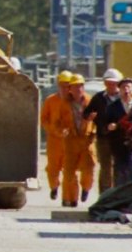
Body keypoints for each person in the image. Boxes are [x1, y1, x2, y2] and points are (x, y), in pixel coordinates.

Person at [57, 74, 96, 207]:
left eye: (80, 86)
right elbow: (59, 122)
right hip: (71, 140)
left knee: (89, 168)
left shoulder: (91, 102)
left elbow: (98, 119)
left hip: (86, 140)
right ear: (70, 89)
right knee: (69, 171)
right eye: (75, 86)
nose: (78, 89)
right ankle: (72, 199)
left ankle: (86, 188)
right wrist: (62, 130)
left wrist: (93, 132)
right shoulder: (64, 104)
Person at [82, 67, 122, 195]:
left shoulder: (124, 98)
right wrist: (89, 116)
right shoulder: (99, 98)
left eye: (114, 83)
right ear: (105, 83)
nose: (111, 86)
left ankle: (118, 195)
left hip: (121, 139)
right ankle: (105, 195)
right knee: (105, 167)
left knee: (119, 167)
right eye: (109, 83)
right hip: (103, 137)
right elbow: (87, 113)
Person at [104, 77, 132, 187]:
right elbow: (105, 123)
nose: (126, 90)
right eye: (123, 87)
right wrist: (110, 126)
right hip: (118, 143)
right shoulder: (112, 107)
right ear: (119, 90)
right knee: (119, 169)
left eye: (128, 87)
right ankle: (119, 195)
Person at [40, 70, 73, 200]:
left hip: (70, 141)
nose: (65, 89)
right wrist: (53, 130)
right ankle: (54, 187)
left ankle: (68, 196)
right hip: (54, 140)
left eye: (68, 86)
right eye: (62, 86)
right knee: (52, 168)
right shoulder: (50, 101)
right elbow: (44, 119)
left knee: (69, 168)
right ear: (58, 85)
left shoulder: (74, 101)